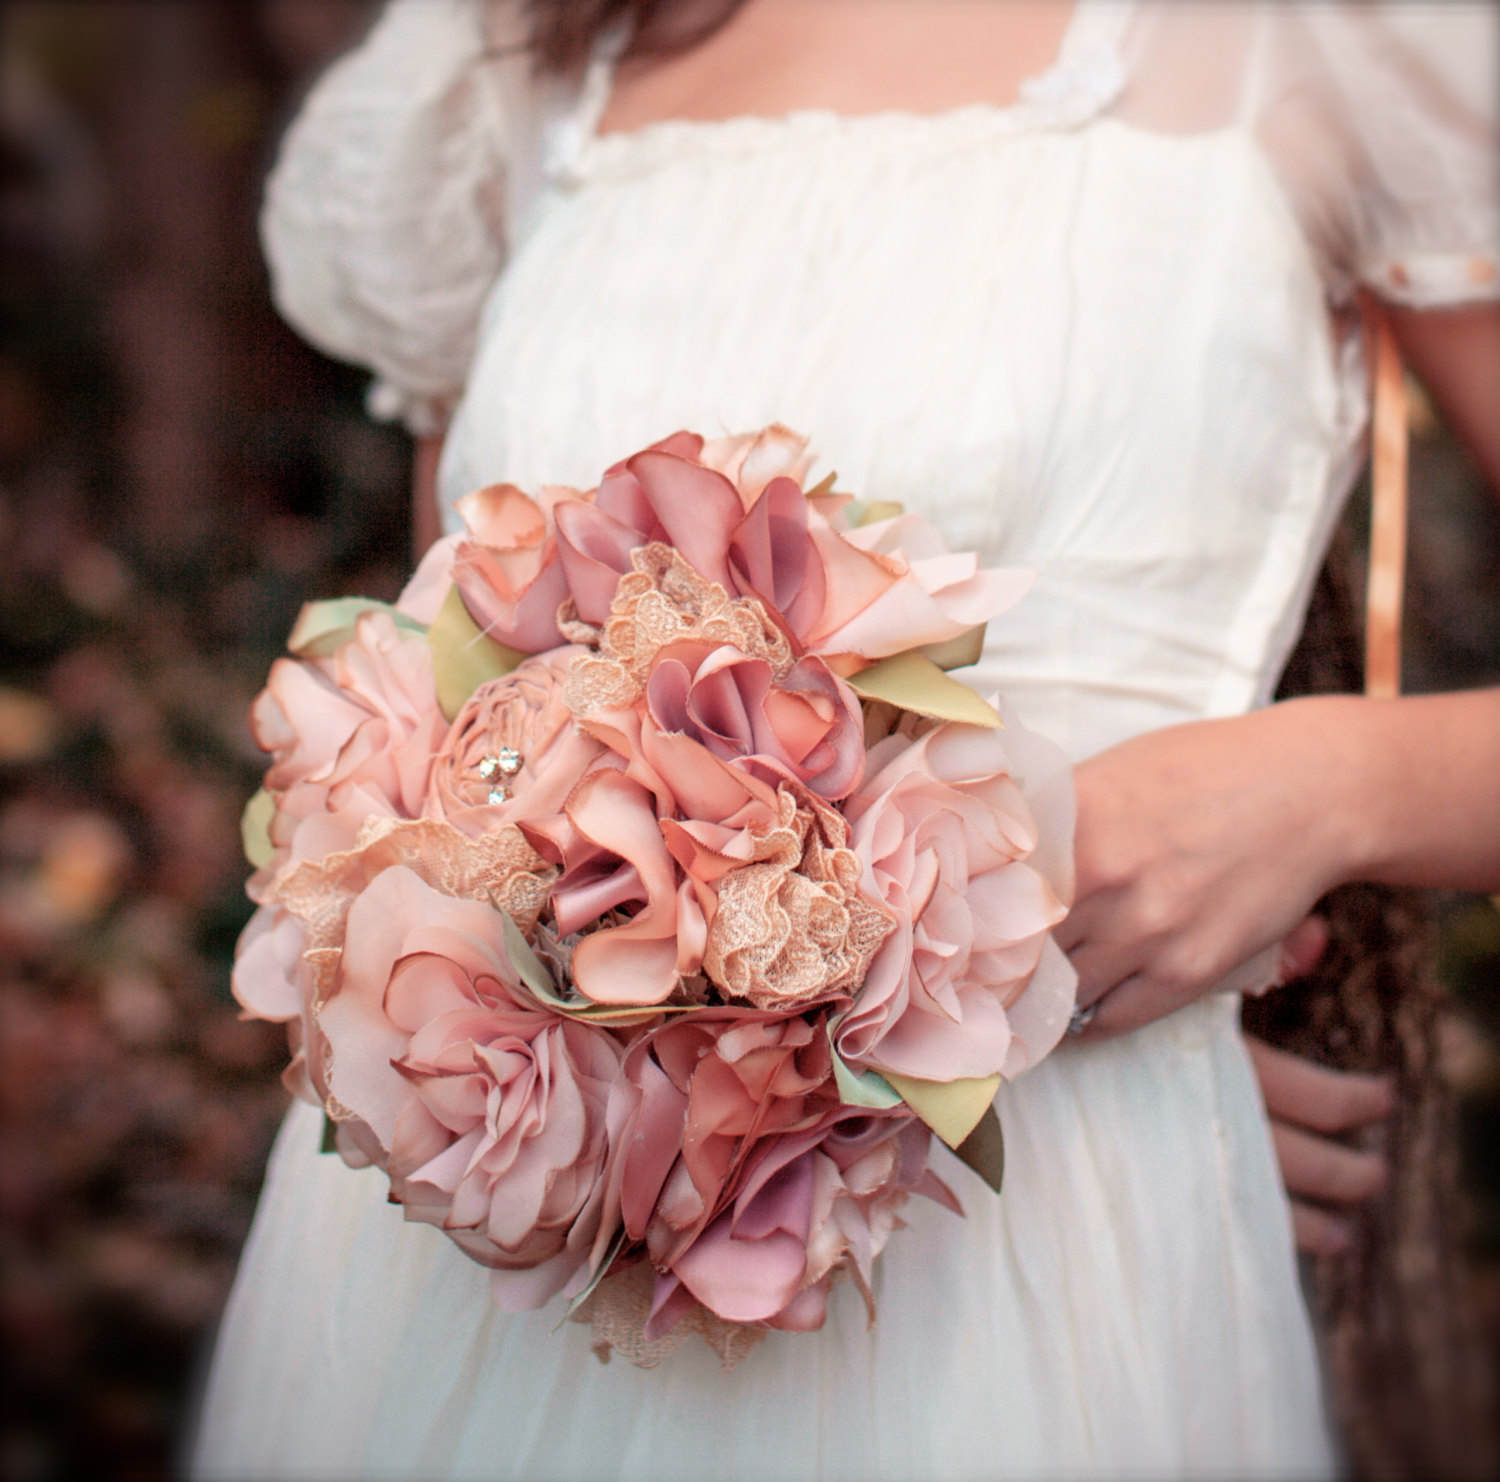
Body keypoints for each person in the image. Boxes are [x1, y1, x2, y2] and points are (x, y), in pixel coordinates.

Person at [193, 2, 1500, 1478]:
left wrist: (1327, 789)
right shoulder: (509, 57)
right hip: (485, 1266)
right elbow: (462, 691)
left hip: (1028, 1279)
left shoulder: (1341, 41)